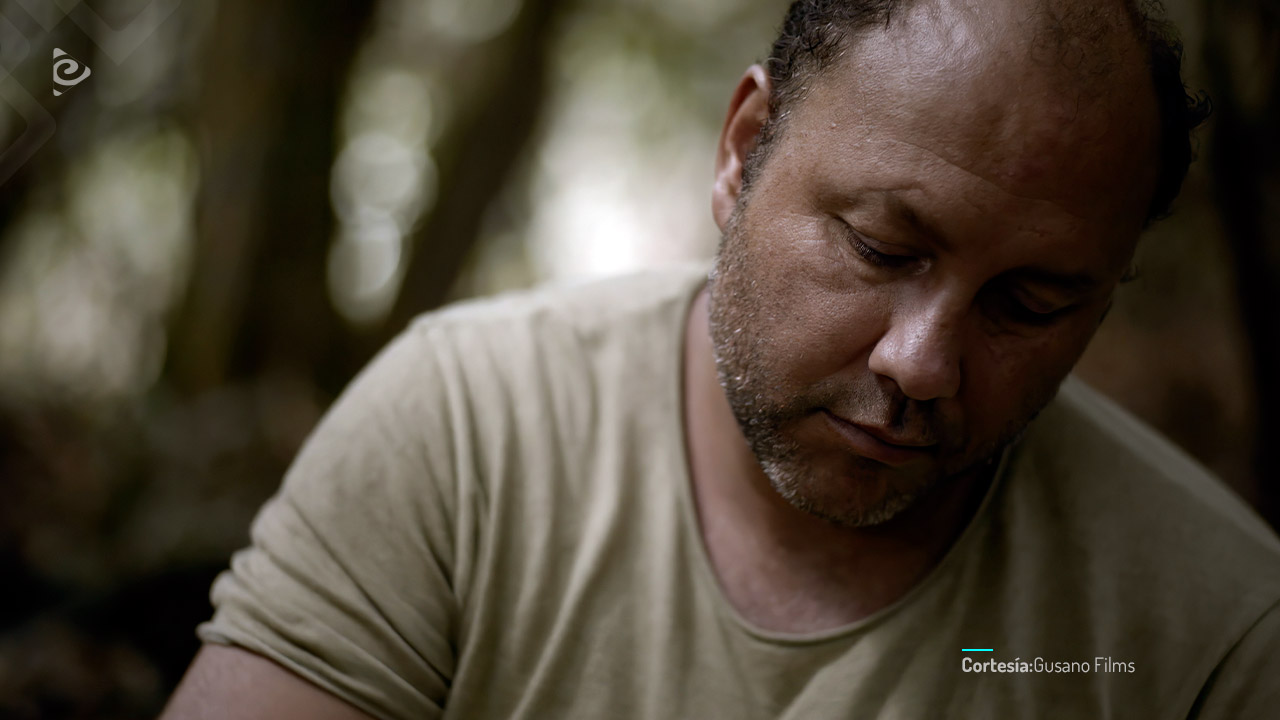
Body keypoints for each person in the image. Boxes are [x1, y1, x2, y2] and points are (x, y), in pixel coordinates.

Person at [162, 0, 1280, 717]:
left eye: (1030, 305)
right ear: (744, 153)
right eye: (881, 246)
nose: (921, 362)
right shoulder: (466, 427)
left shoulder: (1214, 634)